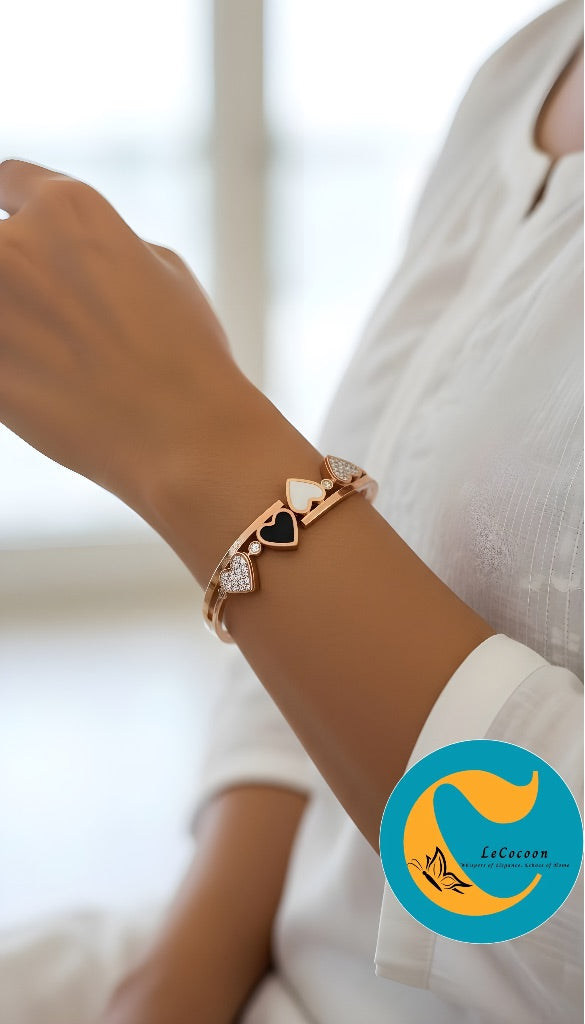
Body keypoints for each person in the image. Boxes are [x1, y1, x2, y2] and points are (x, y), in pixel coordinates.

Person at [0, 2, 582, 1022]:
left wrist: (194, 442)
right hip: (268, 963)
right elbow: (311, 585)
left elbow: (542, 892)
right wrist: (170, 986)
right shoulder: (528, 69)